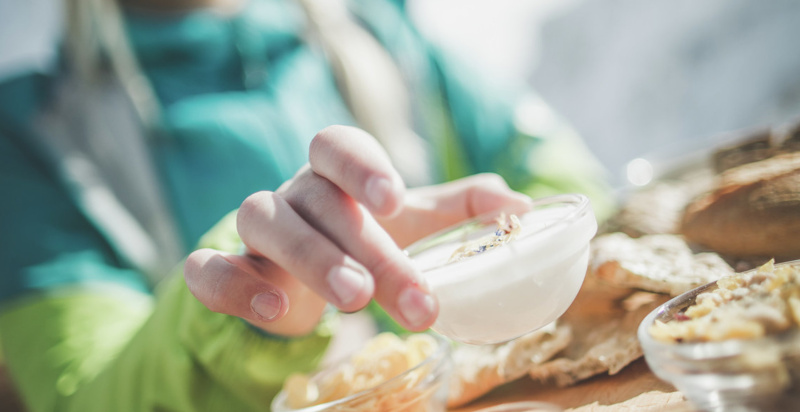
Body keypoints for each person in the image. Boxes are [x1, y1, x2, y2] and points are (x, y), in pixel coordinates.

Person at [0, 0, 613, 410]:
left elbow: (572, 188)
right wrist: (245, 309)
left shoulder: (376, 28)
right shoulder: (27, 140)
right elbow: (85, 394)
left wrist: (491, 248)